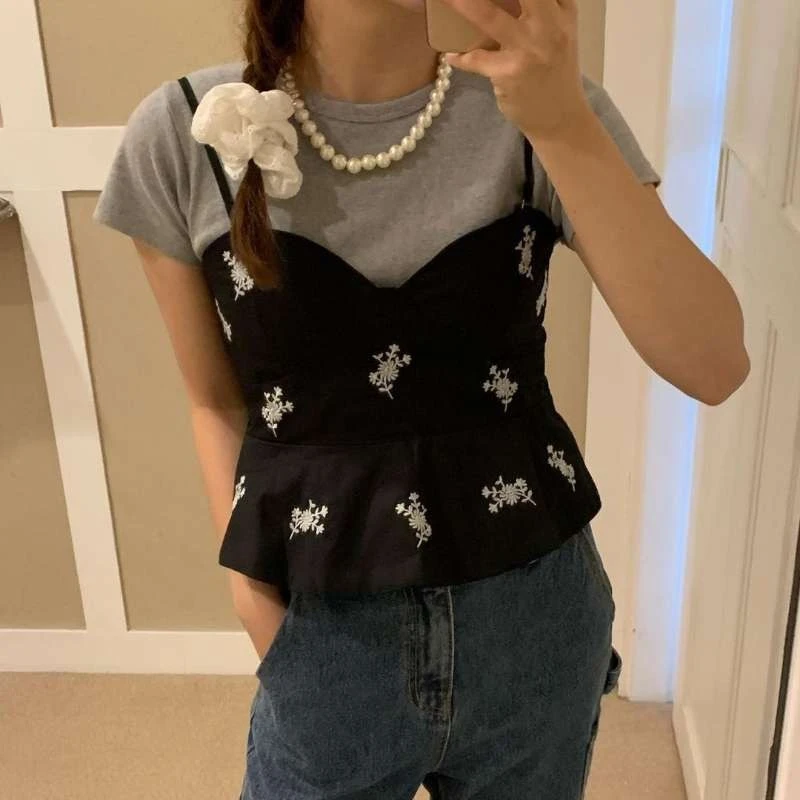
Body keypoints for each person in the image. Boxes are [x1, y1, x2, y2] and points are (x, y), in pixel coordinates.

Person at [93, 1, 749, 797]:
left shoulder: (541, 106)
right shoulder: (188, 131)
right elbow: (215, 402)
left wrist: (565, 125)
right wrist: (255, 603)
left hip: (535, 625)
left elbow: (715, 364)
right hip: (323, 638)